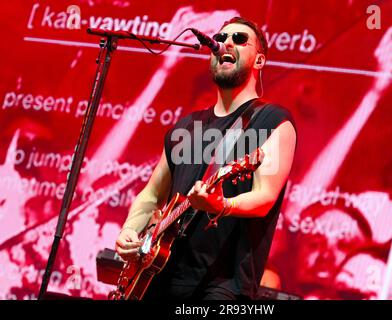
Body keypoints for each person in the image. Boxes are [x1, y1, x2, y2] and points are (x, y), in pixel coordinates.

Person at [114, 16, 297, 300]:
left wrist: (222, 204)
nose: (226, 42)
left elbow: (265, 196)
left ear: (259, 61)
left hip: (221, 287)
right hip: (156, 278)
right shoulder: (186, 126)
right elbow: (152, 193)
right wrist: (131, 229)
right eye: (221, 38)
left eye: (239, 39)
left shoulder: (271, 120)